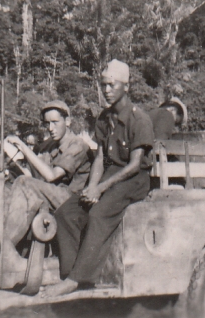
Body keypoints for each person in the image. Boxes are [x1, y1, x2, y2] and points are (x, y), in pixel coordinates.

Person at [44, 59, 154, 296]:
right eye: (104, 85)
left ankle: (77, 279)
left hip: (134, 180)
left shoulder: (139, 119)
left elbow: (134, 165)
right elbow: (101, 157)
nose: (106, 90)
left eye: (112, 85)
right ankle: (70, 274)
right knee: (66, 213)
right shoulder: (104, 118)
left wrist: (100, 188)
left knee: (97, 214)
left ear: (126, 87)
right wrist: (92, 186)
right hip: (110, 176)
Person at [0, 100, 91, 285]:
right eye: (47, 123)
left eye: (55, 122)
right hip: (53, 195)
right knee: (11, 185)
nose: (51, 128)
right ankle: (3, 245)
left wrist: (23, 147)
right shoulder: (49, 146)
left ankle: (5, 249)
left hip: (71, 201)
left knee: (23, 183)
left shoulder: (78, 145)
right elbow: (37, 177)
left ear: (68, 121)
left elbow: (51, 175)